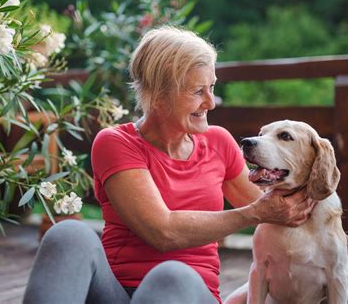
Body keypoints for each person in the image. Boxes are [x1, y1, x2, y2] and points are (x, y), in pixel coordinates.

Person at [23, 25, 314, 304]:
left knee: (171, 275)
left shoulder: (219, 143)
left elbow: (281, 209)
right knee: (68, 234)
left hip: (188, 294)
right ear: (159, 95)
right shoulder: (116, 143)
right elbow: (162, 232)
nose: (211, 102)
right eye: (198, 91)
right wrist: (251, 214)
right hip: (116, 294)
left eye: (211, 87)